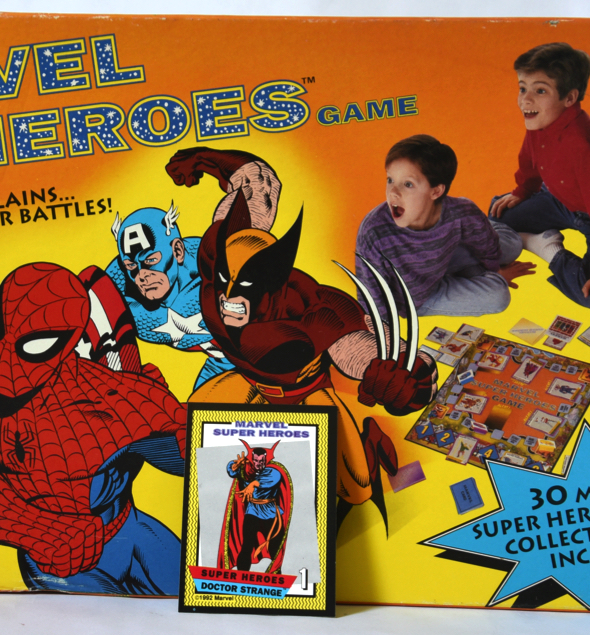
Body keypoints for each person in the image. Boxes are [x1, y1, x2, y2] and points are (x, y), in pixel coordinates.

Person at [167, 148, 437, 517]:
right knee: (190, 429)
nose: (228, 297)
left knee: (357, 490)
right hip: (250, 385)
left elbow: (372, 346)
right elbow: (256, 181)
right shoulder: (216, 264)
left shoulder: (312, 309)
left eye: (244, 285)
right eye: (224, 280)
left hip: (307, 397)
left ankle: (370, 440)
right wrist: (205, 157)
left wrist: (403, 377)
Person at [0, 263, 188, 595]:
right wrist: (40, 531)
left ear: (69, 340)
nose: (6, 361)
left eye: (34, 345)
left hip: (130, 528)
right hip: (59, 566)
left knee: (200, 596)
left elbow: (180, 444)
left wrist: (180, 426)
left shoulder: (100, 387)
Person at [489, 42, 590, 314]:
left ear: (569, 98)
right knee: (496, 216)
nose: (526, 100)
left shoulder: (584, 148)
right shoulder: (541, 120)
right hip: (559, 199)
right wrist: (522, 192)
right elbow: (529, 160)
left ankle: (545, 247)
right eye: (523, 88)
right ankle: (531, 236)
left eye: (540, 91)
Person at [357, 135, 534, 320]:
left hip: (446, 255)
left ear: (436, 191)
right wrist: (383, 332)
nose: (393, 192)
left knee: (513, 245)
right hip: (418, 295)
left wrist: (496, 270)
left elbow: (488, 245)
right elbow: (371, 297)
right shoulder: (373, 232)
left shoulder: (460, 211)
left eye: (408, 184)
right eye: (390, 180)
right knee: (498, 296)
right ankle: (473, 265)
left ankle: (497, 228)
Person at [104, 202, 235, 389]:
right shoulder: (117, 286)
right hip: (221, 363)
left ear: (178, 251)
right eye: (131, 266)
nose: (141, 275)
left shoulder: (215, 265)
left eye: (151, 260)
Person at [219, 441, 293, 573]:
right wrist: (234, 466)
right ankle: (242, 575)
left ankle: (276, 575)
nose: (258, 463)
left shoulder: (272, 471)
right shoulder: (247, 471)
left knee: (275, 548)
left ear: (266, 460)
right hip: (252, 512)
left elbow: (270, 479)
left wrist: (253, 484)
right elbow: (232, 471)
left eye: (261, 461)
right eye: (256, 461)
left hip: (271, 514)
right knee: (246, 546)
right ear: (252, 460)